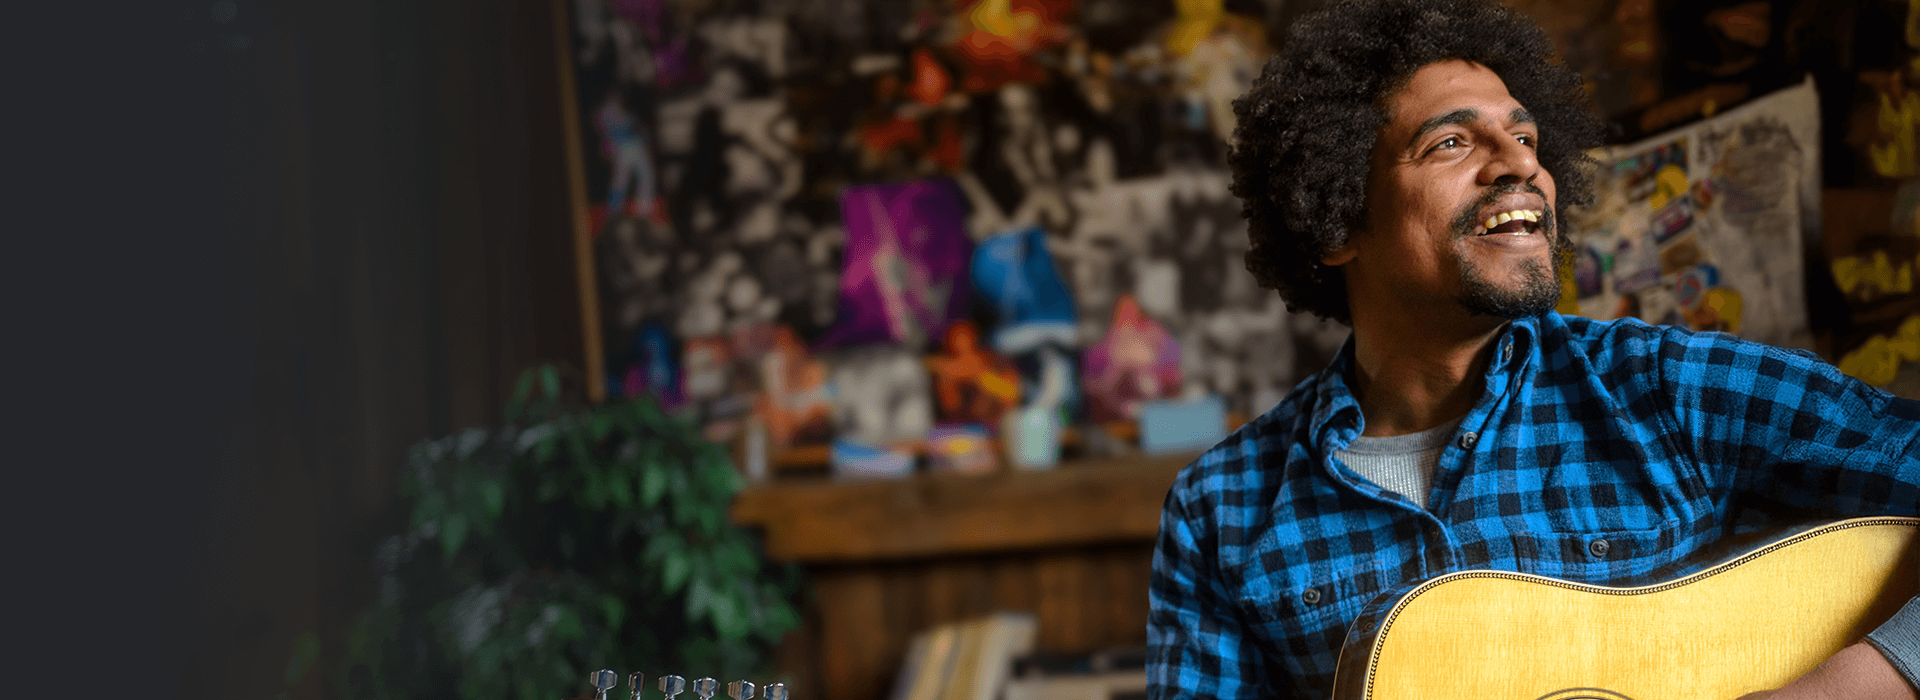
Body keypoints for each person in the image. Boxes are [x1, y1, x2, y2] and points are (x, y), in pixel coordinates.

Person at [1145, 1, 1920, 699]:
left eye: (1524, 136)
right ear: (1336, 220)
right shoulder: (1224, 509)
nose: (1521, 164)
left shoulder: (1666, 389)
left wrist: (1847, 685)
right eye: (1451, 142)